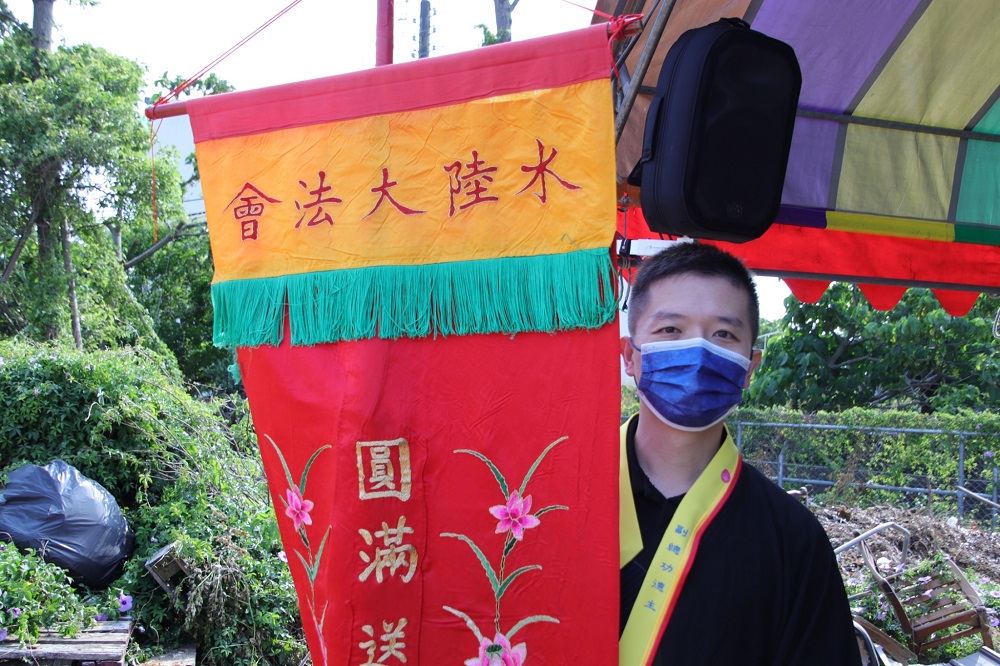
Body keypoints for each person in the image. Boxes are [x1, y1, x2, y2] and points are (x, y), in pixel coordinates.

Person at [618, 241, 861, 666]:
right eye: (670, 330)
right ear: (629, 357)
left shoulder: (793, 540)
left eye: (723, 335)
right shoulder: (552, 498)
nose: (698, 352)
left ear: (750, 367)